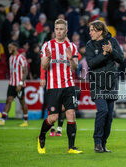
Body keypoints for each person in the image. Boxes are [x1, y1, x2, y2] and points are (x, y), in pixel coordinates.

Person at [37, 19, 82, 154]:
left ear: (66, 30)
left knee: (71, 114)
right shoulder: (47, 46)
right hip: (53, 86)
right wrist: (48, 58)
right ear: (54, 30)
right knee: (53, 118)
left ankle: (71, 147)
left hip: (69, 85)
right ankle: (41, 137)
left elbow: (75, 68)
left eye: (61, 29)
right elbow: (44, 66)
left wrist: (70, 59)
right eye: (57, 29)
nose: (59, 31)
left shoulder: (72, 47)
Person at [85, 20, 123, 153]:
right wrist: (104, 54)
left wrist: (112, 51)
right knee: (103, 111)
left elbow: (121, 59)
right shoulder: (89, 45)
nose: (89, 33)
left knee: (109, 116)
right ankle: (97, 142)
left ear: (100, 31)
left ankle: (103, 144)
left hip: (111, 83)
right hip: (97, 83)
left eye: (92, 30)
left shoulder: (112, 42)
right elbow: (91, 63)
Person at [0, 42, 28, 126]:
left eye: (10, 47)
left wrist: (20, 83)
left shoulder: (21, 58)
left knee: (22, 102)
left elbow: (25, 72)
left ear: (15, 47)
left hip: (19, 84)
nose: (9, 49)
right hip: (11, 84)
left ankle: (25, 121)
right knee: (8, 101)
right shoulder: (11, 58)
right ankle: (2, 120)